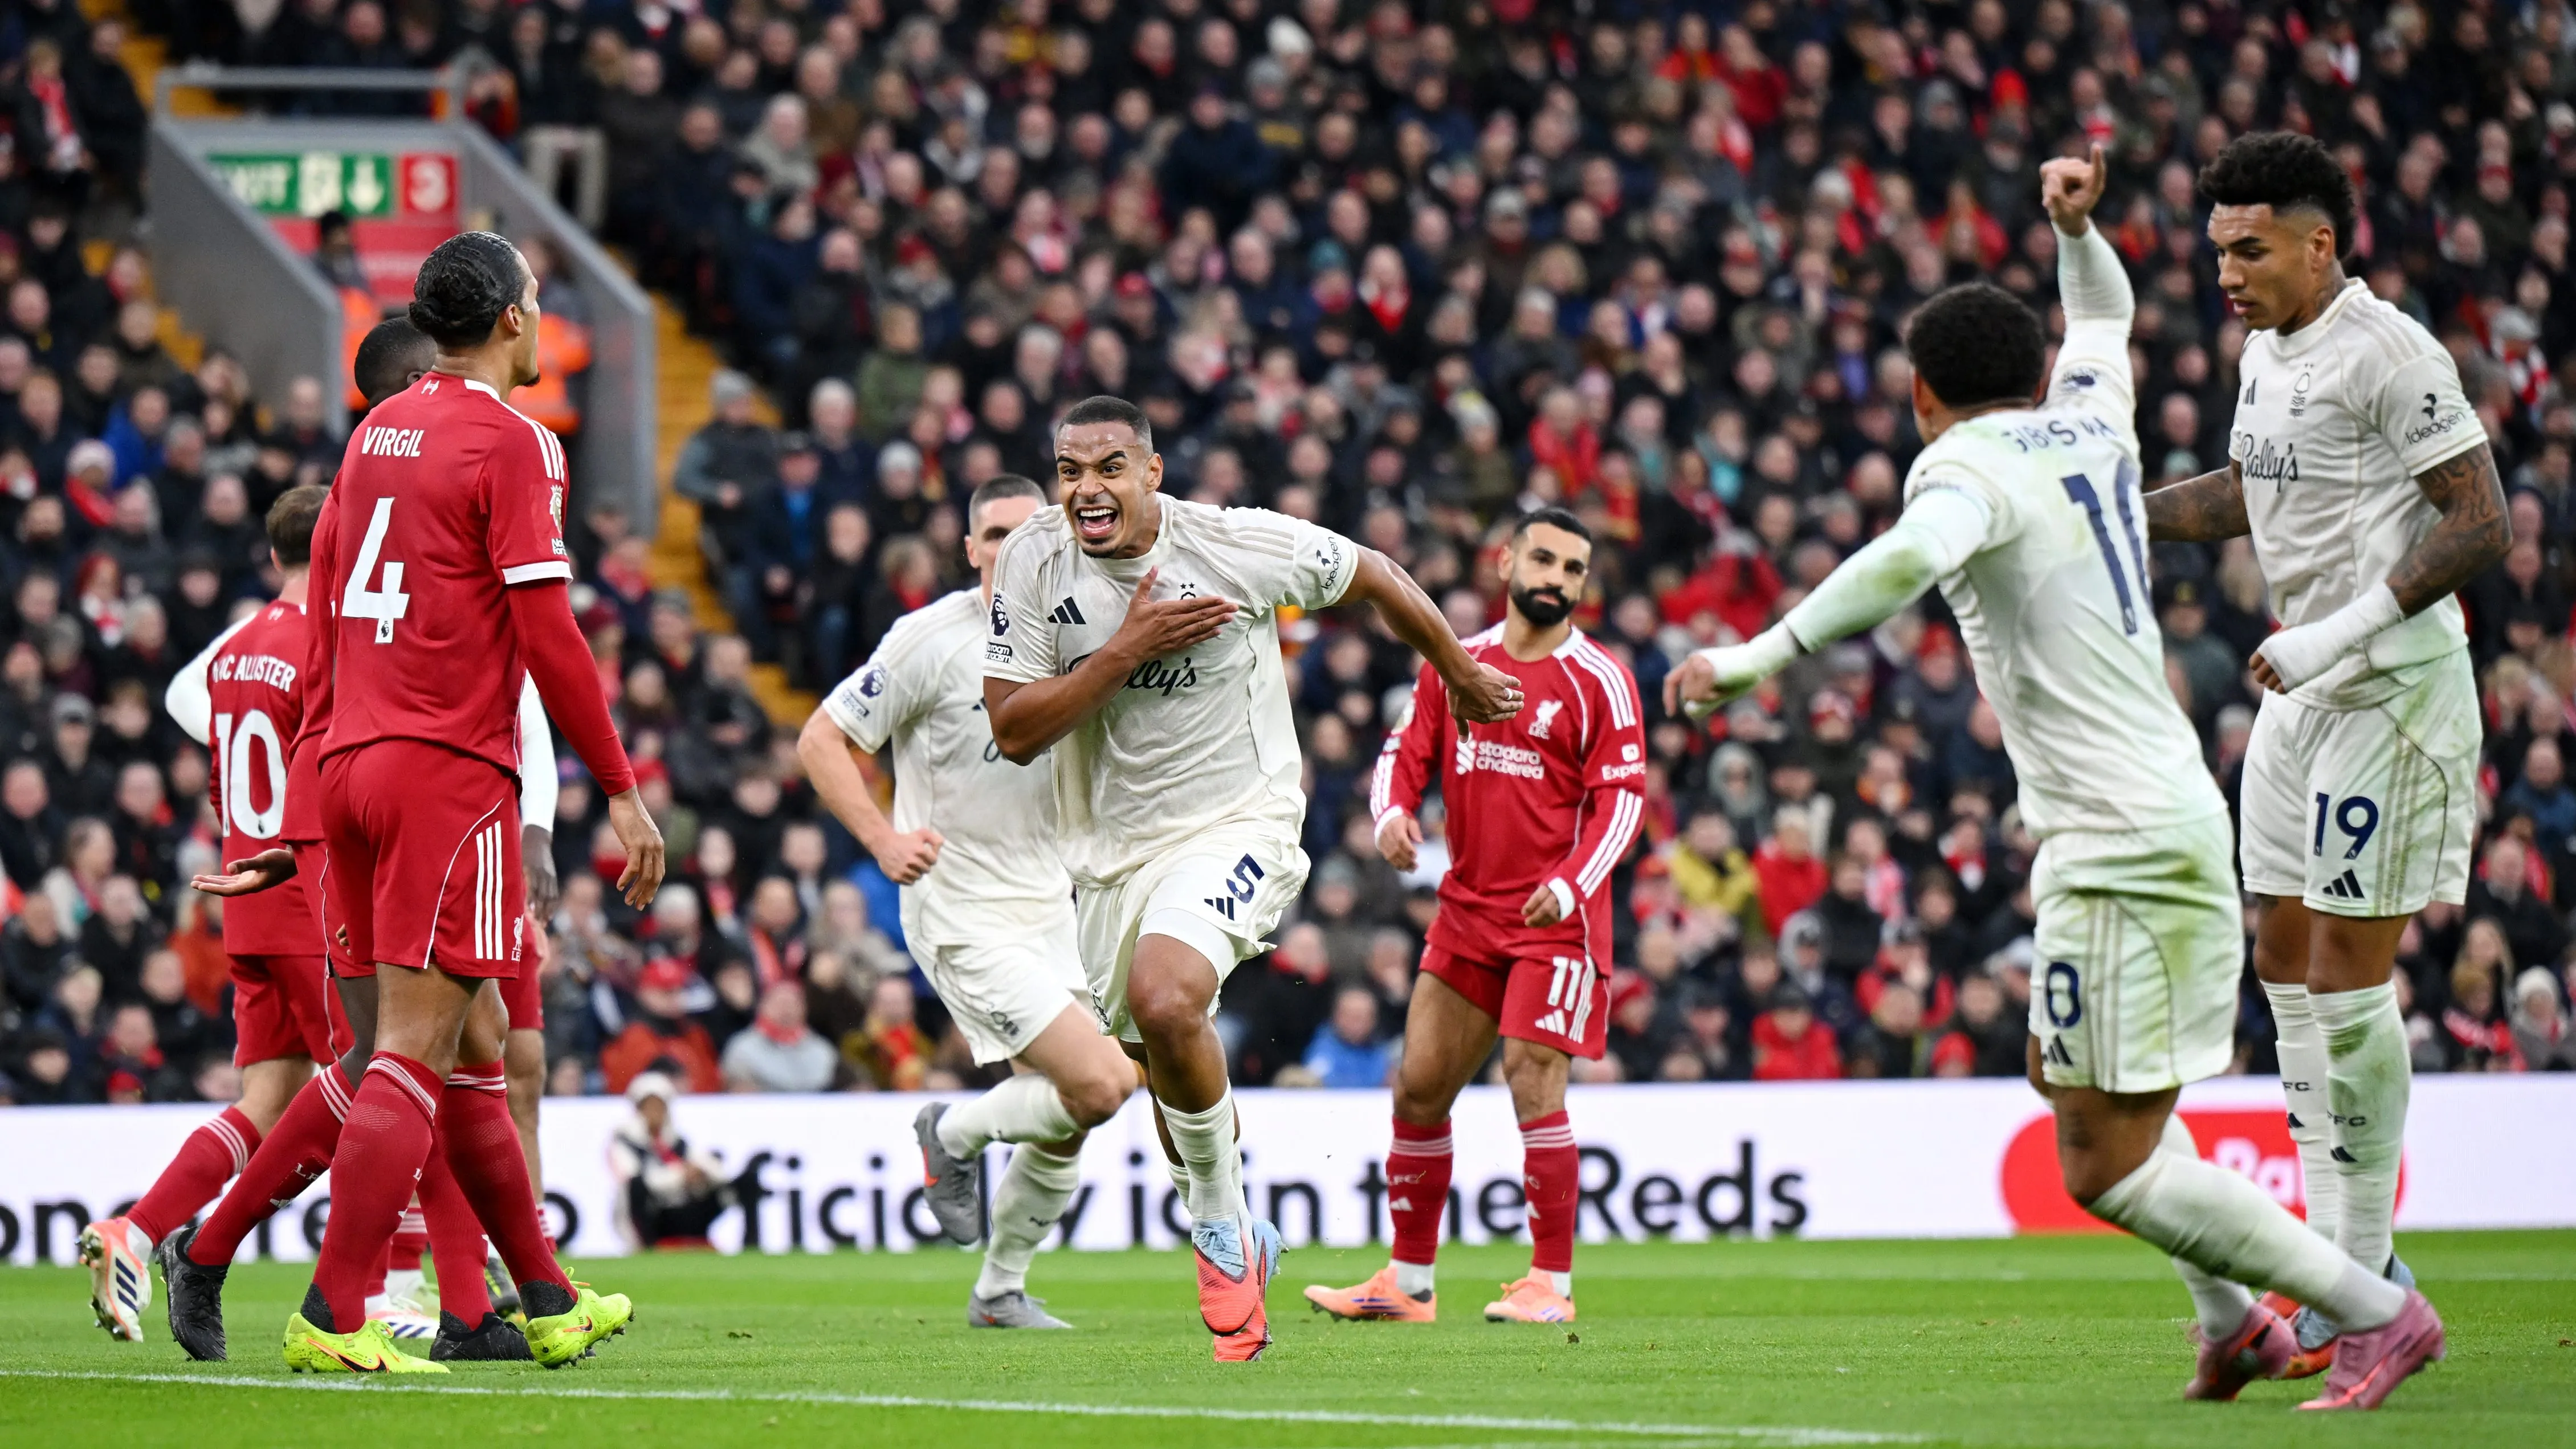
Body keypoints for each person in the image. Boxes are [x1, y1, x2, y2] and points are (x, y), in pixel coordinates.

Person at [1670, 149, 2442, 1412]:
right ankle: (2236, 1320)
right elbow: (2105, 314)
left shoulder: (1959, 468)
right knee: (2068, 1082)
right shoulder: (2087, 413)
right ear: (2028, 377)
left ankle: (2377, 1309)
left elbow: (1909, 557)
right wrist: (2074, 230)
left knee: (2096, 1161)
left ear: (1919, 394)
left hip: (2119, 838)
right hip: (2157, 814)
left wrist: (1757, 654)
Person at [188, 234, 665, 1375]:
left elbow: (329, 631)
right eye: (539, 301)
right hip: (445, 769)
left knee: (470, 1040)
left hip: (347, 766)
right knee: (408, 1048)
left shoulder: (369, 436)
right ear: (508, 318)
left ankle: (541, 1295)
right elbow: (548, 633)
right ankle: (334, 1310)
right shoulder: (516, 441)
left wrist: (298, 814)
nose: (543, 319)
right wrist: (622, 792)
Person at [983, 394, 1521, 1361]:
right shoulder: (1032, 562)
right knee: (1157, 1046)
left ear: (1152, 473)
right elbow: (1014, 730)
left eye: (1109, 466)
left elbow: (1376, 573)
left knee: (1168, 994)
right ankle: (1230, 1216)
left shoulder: (1231, 544)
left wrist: (1458, 671)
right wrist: (1127, 649)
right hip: (1108, 857)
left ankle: (1221, 1238)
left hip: (1242, 818)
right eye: (1069, 471)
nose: (1086, 489)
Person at [2145, 132, 2500, 1389]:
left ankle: (2365, 1280)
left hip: (2388, 693)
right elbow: (2247, 490)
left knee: (2349, 978)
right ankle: (2350, 1274)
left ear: (2318, 243)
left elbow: (2482, 516)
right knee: (2284, 965)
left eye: (2249, 248)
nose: (2226, 271)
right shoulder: (2264, 352)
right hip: (2299, 691)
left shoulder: (2390, 349)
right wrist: (2108, 517)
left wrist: (2339, 630)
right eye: (2216, 248)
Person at [156, 320, 561, 1363]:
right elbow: (345, 685)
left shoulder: (367, 493)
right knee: (405, 1058)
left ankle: (498, 1302)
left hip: (367, 803)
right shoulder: (422, 483)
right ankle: (242, 1254)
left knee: (460, 1053)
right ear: (417, 387)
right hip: (401, 804)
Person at [800, 473, 1136, 1330]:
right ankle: (951, 1132)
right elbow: (823, 736)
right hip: (960, 906)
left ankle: (999, 1290)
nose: (1010, 550)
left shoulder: (1081, 633)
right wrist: (881, 839)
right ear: (971, 549)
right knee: (1101, 1083)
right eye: (994, 535)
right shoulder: (930, 640)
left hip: (1056, 903)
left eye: (1029, 535)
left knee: (1069, 1112)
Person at [1305, 507, 1642, 1326]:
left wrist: (1571, 883)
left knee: (1531, 1076)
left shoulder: (1599, 678)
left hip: (1554, 918)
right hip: (1467, 913)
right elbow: (1403, 752)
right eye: (1545, 560)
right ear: (1505, 561)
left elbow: (1622, 802)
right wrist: (1389, 815)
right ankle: (1409, 1282)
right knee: (1419, 1087)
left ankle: (1550, 1285)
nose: (1557, 580)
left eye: (1573, 569)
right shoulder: (1458, 662)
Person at [74, 485, 341, 1344]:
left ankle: (142, 1228)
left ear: (271, 557)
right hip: (305, 894)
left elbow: (220, 761)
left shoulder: (231, 655)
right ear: (336, 548)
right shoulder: (327, 644)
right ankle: (387, 1289)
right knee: (375, 1091)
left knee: (266, 1099)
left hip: (243, 892)